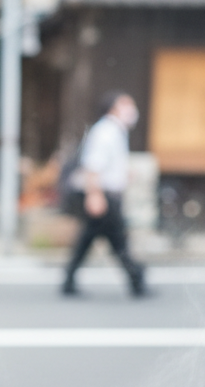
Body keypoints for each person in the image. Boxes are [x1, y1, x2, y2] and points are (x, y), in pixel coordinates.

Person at [62, 91, 146, 297]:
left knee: (90, 238)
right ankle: (136, 277)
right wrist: (95, 195)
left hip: (107, 195)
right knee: (117, 240)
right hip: (104, 195)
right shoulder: (106, 131)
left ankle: (69, 278)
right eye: (126, 105)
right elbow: (93, 166)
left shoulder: (115, 131)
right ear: (113, 108)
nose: (131, 111)